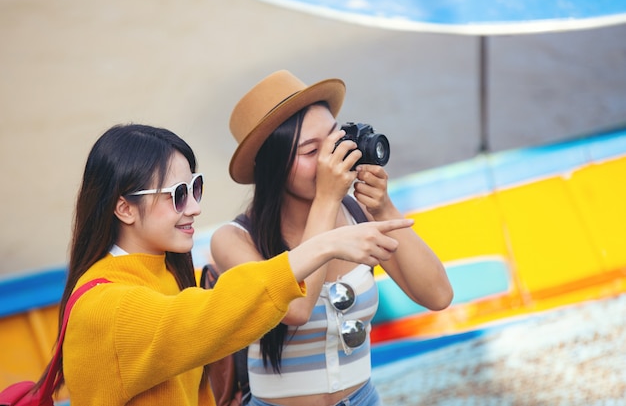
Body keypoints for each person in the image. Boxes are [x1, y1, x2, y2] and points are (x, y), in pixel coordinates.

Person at [41, 123, 415, 406]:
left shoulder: (163, 273)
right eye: (178, 195)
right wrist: (324, 244)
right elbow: (209, 315)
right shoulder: (107, 309)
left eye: (195, 188)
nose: (194, 208)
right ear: (124, 208)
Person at [211, 70, 454, 406]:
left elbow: (438, 294)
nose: (332, 160)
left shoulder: (357, 215)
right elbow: (296, 308)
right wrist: (326, 199)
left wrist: (383, 208)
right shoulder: (234, 239)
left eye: (335, 140)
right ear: (273, 168)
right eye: (312, 152)